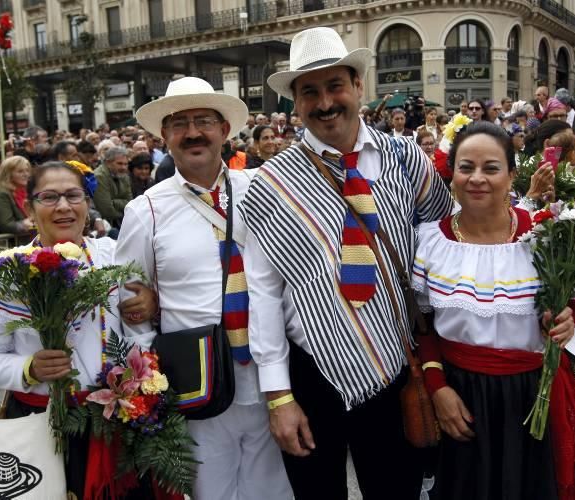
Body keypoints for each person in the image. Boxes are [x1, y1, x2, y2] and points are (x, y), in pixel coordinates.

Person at [242, 27, 454, 499]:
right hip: (310, 373)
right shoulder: (269, 183)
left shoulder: (405, 159)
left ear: (358, 86)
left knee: (395, 492)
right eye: (309, 92)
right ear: (295, 103)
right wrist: (279, 396)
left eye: (335, 86)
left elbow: (448, 243)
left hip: (394, 360)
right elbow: (263, 294)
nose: (324, 103)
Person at [412, 121, 575, 498]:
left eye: (491, 168)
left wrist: (570, 318)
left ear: (512, 175)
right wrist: (437, 388)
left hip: (536, 395)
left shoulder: (546, 232)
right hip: (462, 400)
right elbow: (422, 328)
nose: (477, 179)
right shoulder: (430, 242)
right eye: (466, 167)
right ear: (451, 174)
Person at [121, 76, 292, 500]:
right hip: (196, 382)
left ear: (223, 130)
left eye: (203, 121)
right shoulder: (145, 210)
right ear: (164, 136)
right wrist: (147, 382)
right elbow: (128, 300)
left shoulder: (262, 189)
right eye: (180, 123)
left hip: (271, 372)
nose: (193, 132)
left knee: (275, 490)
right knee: (211, 492)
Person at [0, 160, 158, 497]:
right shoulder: (3, 273)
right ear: (28, 206)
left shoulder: (113, 256)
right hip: (43, 423)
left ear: (87, 204)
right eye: (48, 197)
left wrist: (150, 308)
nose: (63, 206)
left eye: (73, 195)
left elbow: (138, 332)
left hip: (118, 423)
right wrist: (28, 368)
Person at [0, 156, 33, 238]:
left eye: (27, 170)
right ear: (8, 174)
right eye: (20, 171)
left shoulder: (30, 191)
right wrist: (24, 224)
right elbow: (6, 225)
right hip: (16, 244)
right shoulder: (2, 194)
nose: (26, 174)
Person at [93, 146, 132, 230]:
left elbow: (131, 203)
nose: (124, 167)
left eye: (126, 164)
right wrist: (124, 210)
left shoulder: (124, 175)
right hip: (104, 225)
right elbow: (106, 211)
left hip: (121, 222)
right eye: (119, 163)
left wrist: (114, 202)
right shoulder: (99, 177)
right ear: (108, 163)